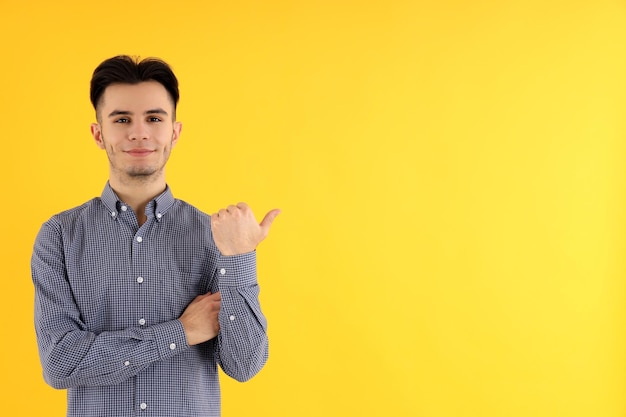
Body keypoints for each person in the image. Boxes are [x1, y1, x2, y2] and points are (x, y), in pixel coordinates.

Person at [31, 55, 279, 417]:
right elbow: (60, 363)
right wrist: (180, 332)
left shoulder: (216, 237)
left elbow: (244, 366)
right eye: (121, 119)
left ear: (174, 132)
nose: (139, 132)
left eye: (154, 118)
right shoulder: (59, 236)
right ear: (99, 134)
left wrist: (239, 258)